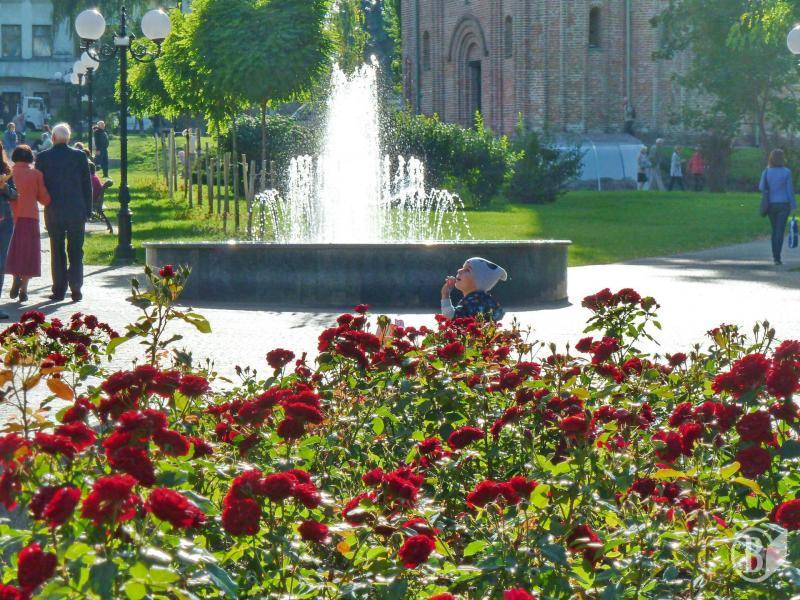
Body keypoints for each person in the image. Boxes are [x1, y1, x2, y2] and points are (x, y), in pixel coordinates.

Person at [35, 123, 92, 302]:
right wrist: (88, 210)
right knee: (76, 250)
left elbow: (39, 185)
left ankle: (59, 289)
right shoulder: (80, 156)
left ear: (53, 138)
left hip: (54, 210)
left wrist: (43, 201)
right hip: (76, 209)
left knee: (57, 249)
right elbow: (87, 185)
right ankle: (76, 288)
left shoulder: (43, 157)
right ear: (68, 138)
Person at [6, 145, 51, 302]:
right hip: (31, 217)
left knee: (14, 251)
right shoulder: (36, 174)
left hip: (12, 217)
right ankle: (24, 289)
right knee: (29, 253)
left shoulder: (9, 174)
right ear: (30, 158)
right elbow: (45, 199)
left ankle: (15, 277)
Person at [759, 149, 797, 266]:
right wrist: (794, 205)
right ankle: (778, 258)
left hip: (771, 204)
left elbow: (761, 187)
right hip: (784, 204)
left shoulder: (766, 171)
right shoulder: (787, 172)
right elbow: (790, 190)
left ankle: (775, 256)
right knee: (780, 231)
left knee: (774, 230)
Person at [440, 257, 507, 321]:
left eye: (467, 270)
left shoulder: (473, 302)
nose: (459, 270)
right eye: (463, 267)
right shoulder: (485, 300)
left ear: (480, 280)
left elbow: (453, 317)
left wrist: (445, 295)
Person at [0, 142, 17, 319]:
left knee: (0, 263)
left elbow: (15, 194)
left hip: (4, 222)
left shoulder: (6, 169)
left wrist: (4, 186)